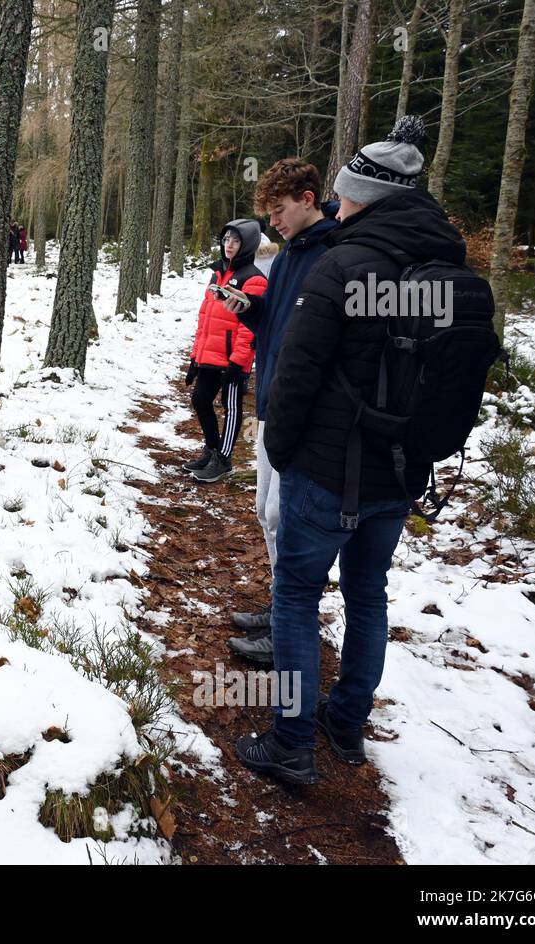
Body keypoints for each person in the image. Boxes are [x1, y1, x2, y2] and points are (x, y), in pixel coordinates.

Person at [235, 116, 452, 784]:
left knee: (297, 596)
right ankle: (346, 723)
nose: (340, 204)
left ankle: (293, 740)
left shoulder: (341, 265)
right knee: (367, 594)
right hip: (399, 472)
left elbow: (297, 376)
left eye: (346, 194)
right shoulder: (447, 270)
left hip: (324, 471)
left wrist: (286, 448)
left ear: (363, 196)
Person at [223, 159, 340, 665]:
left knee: (281, 516)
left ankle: (293, 626)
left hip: (300, 411)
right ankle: (281, 609)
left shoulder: (333, 253)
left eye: (280, 210)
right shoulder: (291, 252)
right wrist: (250, 309)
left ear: (308, 199)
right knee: (263, 513)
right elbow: (283, 320)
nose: (273, 222)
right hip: (270, 399)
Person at [183, 220, 265, 483]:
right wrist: (196, 358)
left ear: (247, 245)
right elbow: (205, 318)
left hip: (231, 360)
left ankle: (223, 459)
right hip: (210, 355)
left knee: (231, 408)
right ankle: (211, 448)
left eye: (235, 241)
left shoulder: (253, 279)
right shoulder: (217, 274)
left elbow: (248, 327)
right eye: (226, 239)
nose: (228, 245)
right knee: (200, 400)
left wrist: (238, 363)